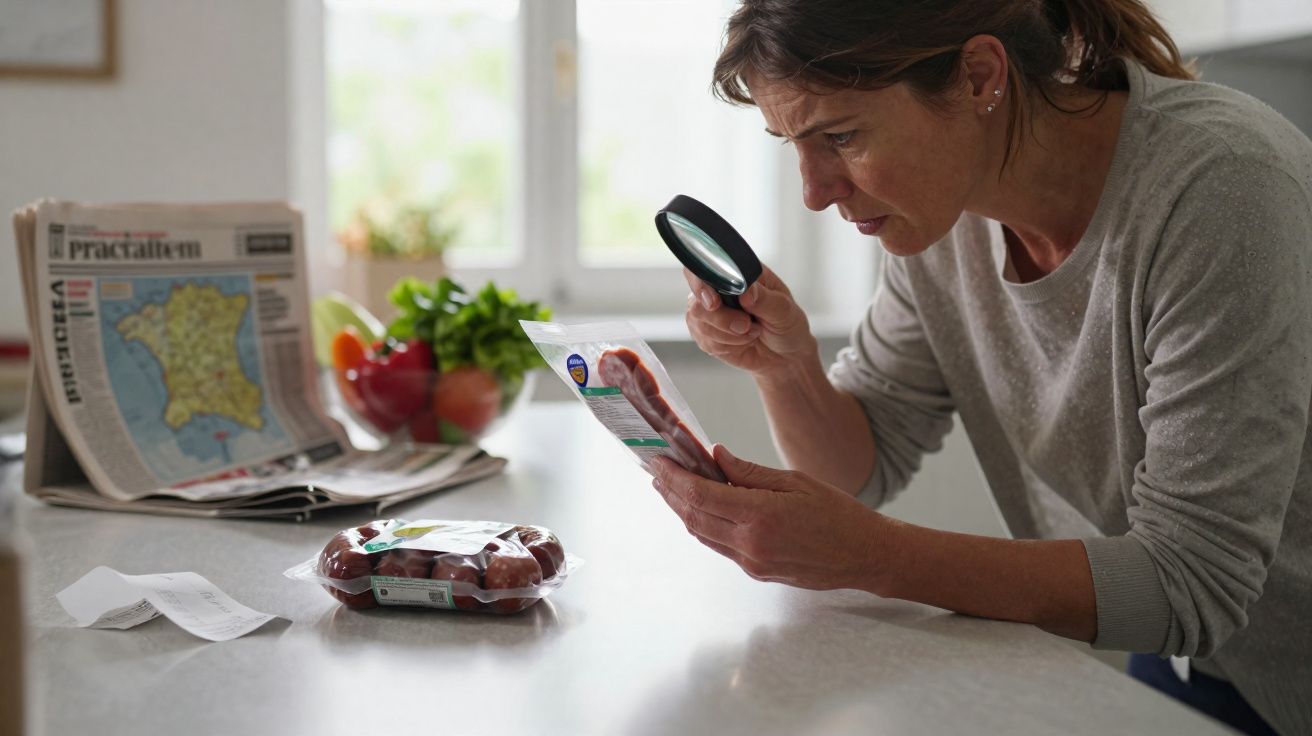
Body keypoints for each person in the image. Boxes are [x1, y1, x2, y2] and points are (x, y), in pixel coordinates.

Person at [646, 1, 1312, 734]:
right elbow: (858, 468)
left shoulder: (1221, 191)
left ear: (978, 76)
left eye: (839, 135)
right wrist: (786, 366)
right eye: (792, 144)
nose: (814, 192)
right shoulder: (942, 218)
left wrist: (872, 557)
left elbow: (1193, 580)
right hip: (1182, 650)